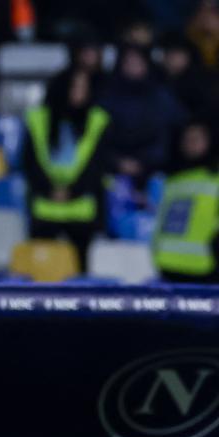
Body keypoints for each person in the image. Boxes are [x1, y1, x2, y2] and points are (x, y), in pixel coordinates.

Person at [22, 70, 110, 268]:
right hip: (44, 210)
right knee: (42, 273)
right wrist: (49, 189)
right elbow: (29, 162)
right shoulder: (37, 118)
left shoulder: (98, 120)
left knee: (80, 280)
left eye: (84, 88)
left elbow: (98, 166)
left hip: (82, 211)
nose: (80, 93)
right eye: (75, 87)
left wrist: (72, 192)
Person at [98, 43, 186, 192]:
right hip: (112, 174)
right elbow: (97, 138)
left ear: (147, 65)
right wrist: (117, 162)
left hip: (158, 173)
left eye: (138, 63)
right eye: (128, 63)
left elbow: (175, 133)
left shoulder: (162, 97)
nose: (133, 67)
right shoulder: (106, 98)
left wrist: (146, 163)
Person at [152, 120, 219, 283]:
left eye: (197, 139)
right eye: (187, 139)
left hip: (205, 268)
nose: (191, 144)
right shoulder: (172, 179)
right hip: (167, 266)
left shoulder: (215, 178)